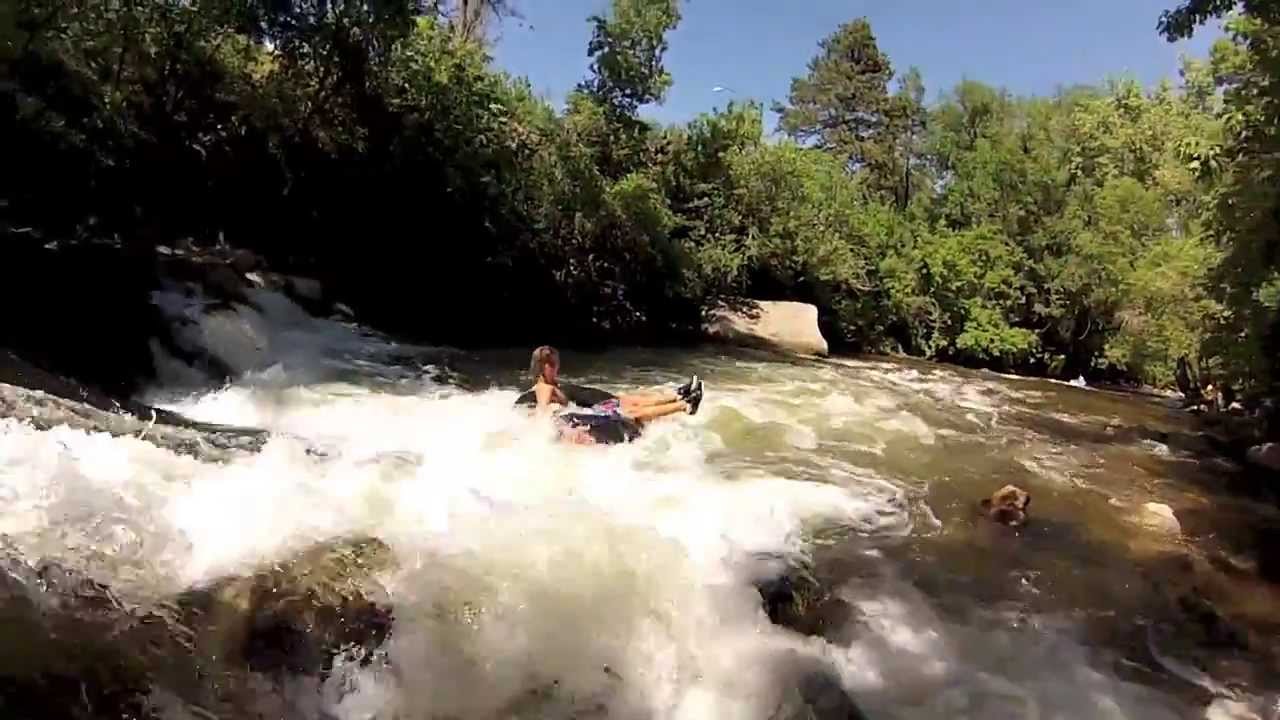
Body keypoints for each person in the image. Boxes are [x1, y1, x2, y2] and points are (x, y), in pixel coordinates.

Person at [525, 345, 703, 444]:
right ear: (545, 366)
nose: (557, 368)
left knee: (631, 405)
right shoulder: (544, 387)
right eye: (555, 364)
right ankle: (683, 404)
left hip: (587, 414)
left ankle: (682, 401)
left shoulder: (551, 386)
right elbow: (542, 410)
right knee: (632, 410)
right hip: (579, 418)